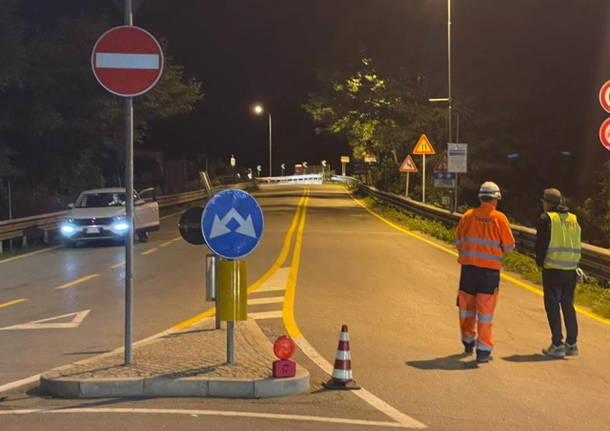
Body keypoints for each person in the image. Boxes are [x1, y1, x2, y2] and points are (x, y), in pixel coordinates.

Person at [455, 181, 515, 363]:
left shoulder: (468, 216)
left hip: (469, 271)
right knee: (486, 313)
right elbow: (509, 246)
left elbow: (458, 241)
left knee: (466, 308)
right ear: (496, 199)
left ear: (480, 197)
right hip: (489, 274)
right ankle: (483, 350)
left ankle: (467, 340)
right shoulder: (499, 218)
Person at [535, 188, 581, 358]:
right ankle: (572, 343)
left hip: (553, 268)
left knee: (552, 305)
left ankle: (557, 343)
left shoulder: (546, 219)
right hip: (570, 269)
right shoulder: (573, 218)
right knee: (568, 305)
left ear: (547, 202)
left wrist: (540, 262)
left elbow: (541, 244)